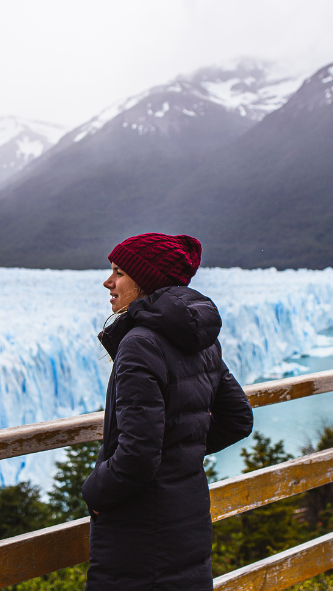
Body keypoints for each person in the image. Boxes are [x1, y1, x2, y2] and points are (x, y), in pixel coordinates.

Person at [82, 233, 254, 591]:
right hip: (186, 518)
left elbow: (138, 456)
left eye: (119, 272)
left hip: (139, 534)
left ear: (146, 280)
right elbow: (238, 419)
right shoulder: (198, 339)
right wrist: (179, 453)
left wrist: (96, 492)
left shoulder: (139, 343)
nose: (108, 282)